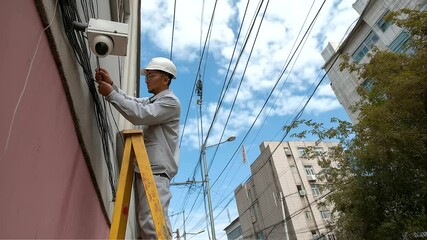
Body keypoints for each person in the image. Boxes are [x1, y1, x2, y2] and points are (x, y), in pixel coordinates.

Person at [95, 57, 180, 239]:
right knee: (145, 221)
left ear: (166, 79)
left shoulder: (170, 102)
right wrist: (112, 86)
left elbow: (140, 114)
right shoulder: (153, 101)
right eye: (146, 75)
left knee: (152, 220)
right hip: (146, 168)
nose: (147, 79)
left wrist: (111, 94)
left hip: (156, 170)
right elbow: (133, 101)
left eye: (151, 75)